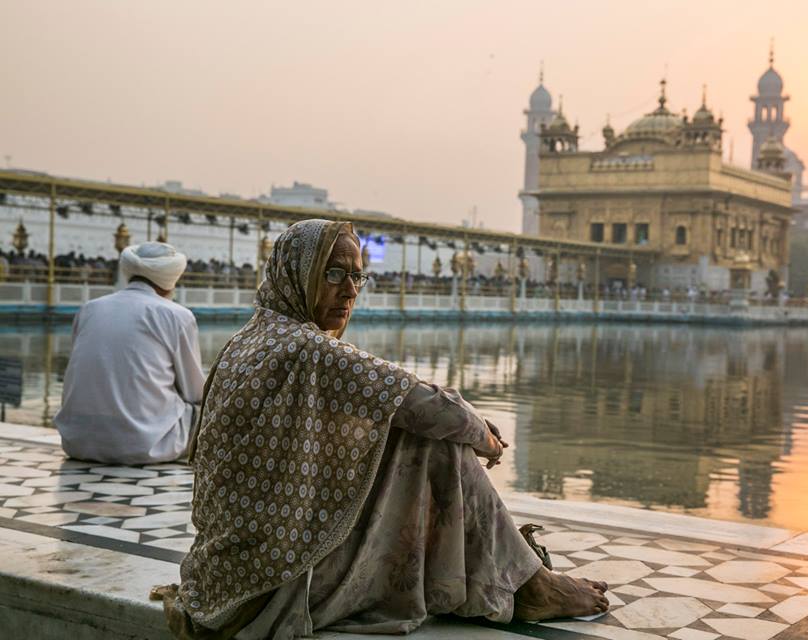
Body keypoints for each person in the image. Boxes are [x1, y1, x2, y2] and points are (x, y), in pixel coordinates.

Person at [158, 219, 608, 639]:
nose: (350, 290)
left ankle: (521, 577)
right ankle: (530, 586)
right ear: (296, 274)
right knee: (431, 439)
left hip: (219, 578)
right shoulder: (308, 350)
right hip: (273, 587)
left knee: (390, 425)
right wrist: (485, 436)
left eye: (357, 277)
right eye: (333, 274)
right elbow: (432, 407)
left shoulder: (250, 338)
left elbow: (395, 401)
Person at [54, 241, 204, 464]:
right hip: (145, 444)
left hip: (77, 441)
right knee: (211, 407)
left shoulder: (90, 308)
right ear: (171, 279)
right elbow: (195, 392)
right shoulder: (176, 315)